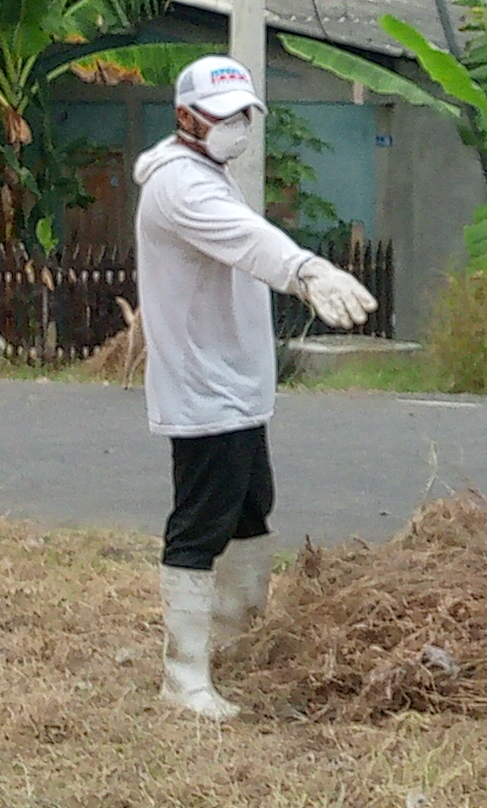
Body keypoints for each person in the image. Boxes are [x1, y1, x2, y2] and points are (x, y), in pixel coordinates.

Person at [134, 54, 380, 721]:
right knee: (202, 521)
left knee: (249, 508)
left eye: (243, 114)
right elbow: (249, 241)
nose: (236, 126)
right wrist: (306, 270)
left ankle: (237, 643)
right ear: (185, 117)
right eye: (221, 116)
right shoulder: (180, 184)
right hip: (203, 385)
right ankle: (185, 677)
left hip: (232, 383)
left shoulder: (206, 175)